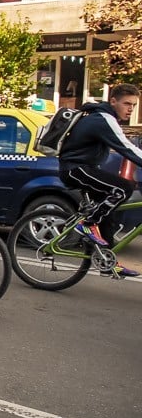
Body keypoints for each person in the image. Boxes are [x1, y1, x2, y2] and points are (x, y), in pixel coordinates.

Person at [59, 83, 142, 276]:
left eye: (134, 105)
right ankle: (87, 224)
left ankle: (108, 263)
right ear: (113, 101)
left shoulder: (105, 117)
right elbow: (127, 148)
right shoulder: (103, 119)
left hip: (83, 169)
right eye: (126, 103)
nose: (130, 109)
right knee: (122, 188)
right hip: (75, 170)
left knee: (108, 214)